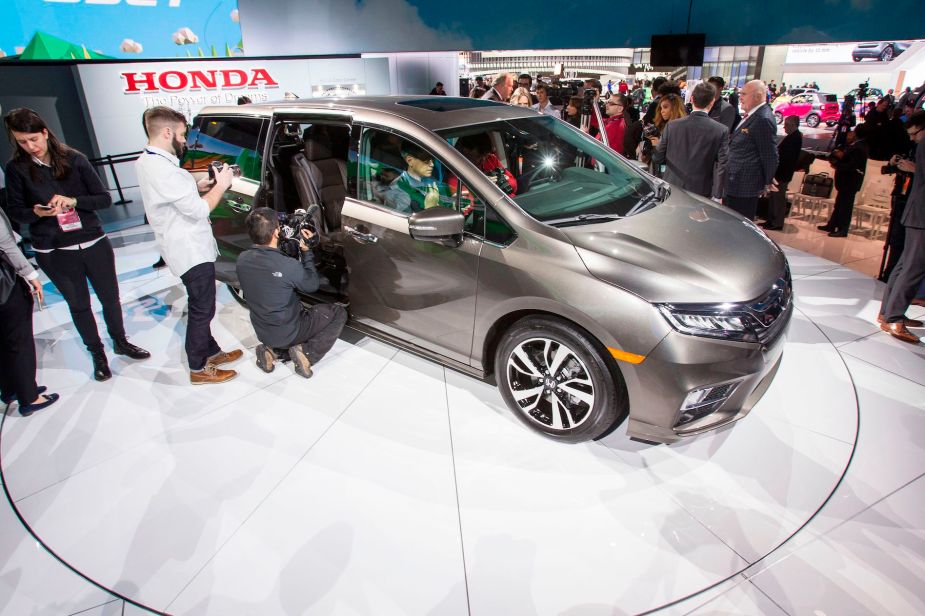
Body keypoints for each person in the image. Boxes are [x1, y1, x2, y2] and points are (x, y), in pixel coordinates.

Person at [4, 108, 150, 382]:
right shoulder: (16, 169)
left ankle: (120, 341)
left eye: (33, 139)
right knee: (79, 304)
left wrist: (74, 201)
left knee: (110, 298)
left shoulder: (74, 158)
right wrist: (36, 212)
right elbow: (15, 211)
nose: (30, 147)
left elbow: (103, 199)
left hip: (92, 241)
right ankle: (97, 353)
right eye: (22, 142)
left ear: (45, 133)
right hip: (53, 250)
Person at [135, 106, 242, 385]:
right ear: (167, 131)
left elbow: (176, 195)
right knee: (202, 309)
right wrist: (222, 184)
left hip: (186, 245)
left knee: (201, 305)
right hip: (189, 250)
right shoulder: (161, 168)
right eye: (182, 135)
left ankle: (212, 352)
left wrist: (199, 184)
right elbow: (198, 211)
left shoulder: (152, 161)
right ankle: (198, 368)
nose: (185, 141)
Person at [235, 208, 347, 378]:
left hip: (262, 331)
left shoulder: (242, 259)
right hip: (290, 331)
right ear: (275, 232)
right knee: (338, 313)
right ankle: (306, 353)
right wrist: (306, 252)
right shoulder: (287, 265)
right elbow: (311, 285)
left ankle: (272, 351)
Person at [0, 208, 59, 416]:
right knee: (18, 338)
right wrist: (30, 273)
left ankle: (11, 388)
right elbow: (5, 244)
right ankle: (29, 397)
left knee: (4, 339)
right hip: (4, 280)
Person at [878, 110, 925, 343]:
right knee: (913, 268)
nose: (913, 139)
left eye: (915, 134)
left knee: (905, 265)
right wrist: (914, 168)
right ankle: (894, 317)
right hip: (921, 217)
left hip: (917, 215)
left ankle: (888, 313)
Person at [652, 82, 727, 199]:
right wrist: (717, 195)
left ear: (692, 99)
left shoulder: (672, 126)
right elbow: (722, 165)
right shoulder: (721, 130)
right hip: (701, 191)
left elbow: (657, 157)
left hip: (672, 186)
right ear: (712, 101)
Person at [723, 80, 778, 220]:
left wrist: (767, 180)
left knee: (738, 228)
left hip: (745, 186)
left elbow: (770, 155)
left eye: (744, 94)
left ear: (758, 96)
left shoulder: (762, 119)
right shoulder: (752, 116)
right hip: (734, 183)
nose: (740, 97)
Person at [818, 124, 869, 237]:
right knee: (839, 204)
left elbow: (853, 165)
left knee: (845, 206)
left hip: (850, 182)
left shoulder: (859, 147)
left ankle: (842, 229)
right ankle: (832, 224)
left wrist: (838, 165)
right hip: (845, 182)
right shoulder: (853, 145)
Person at [385, 142, 453, 212]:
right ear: (410, 161)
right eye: (426, 161)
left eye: (433, 160)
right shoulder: (396, 192)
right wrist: (430, 208)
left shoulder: (432, 181)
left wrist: (453, 204)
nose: (432, 164)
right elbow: (407, 222)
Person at [764, 114, 803, 230]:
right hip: (778, 173)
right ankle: (770, 220)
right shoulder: (791, 137)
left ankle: (777, 222)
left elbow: (786, 158)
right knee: (773, 198)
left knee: (778, 199)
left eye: (787, 125)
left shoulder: (795, 138)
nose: (784, 127)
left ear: (793, 125)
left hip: (782, 174)